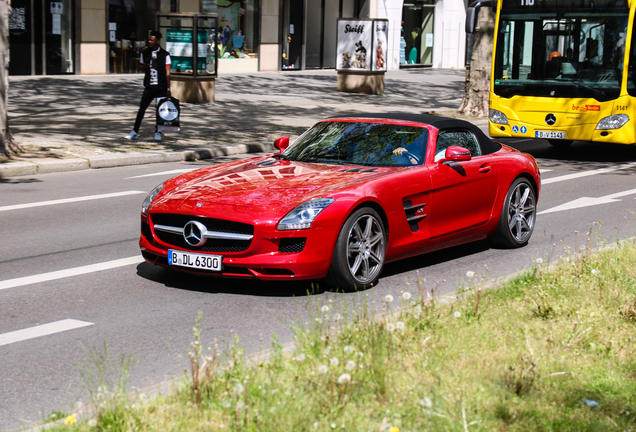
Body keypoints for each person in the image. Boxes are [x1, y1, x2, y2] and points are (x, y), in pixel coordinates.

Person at [125, 31, 172, 141]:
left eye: (151, 40)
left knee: (159, 110)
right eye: (149, 40)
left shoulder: (165, 54)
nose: (149, 41)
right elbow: (141, 67)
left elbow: (167, 73)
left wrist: (168, 89)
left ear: (157, 41)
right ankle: (135, 131)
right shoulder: (145, 53)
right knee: (142, 108)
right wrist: (144, 67)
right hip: (149, 86)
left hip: (161, 86)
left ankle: (158, 132)